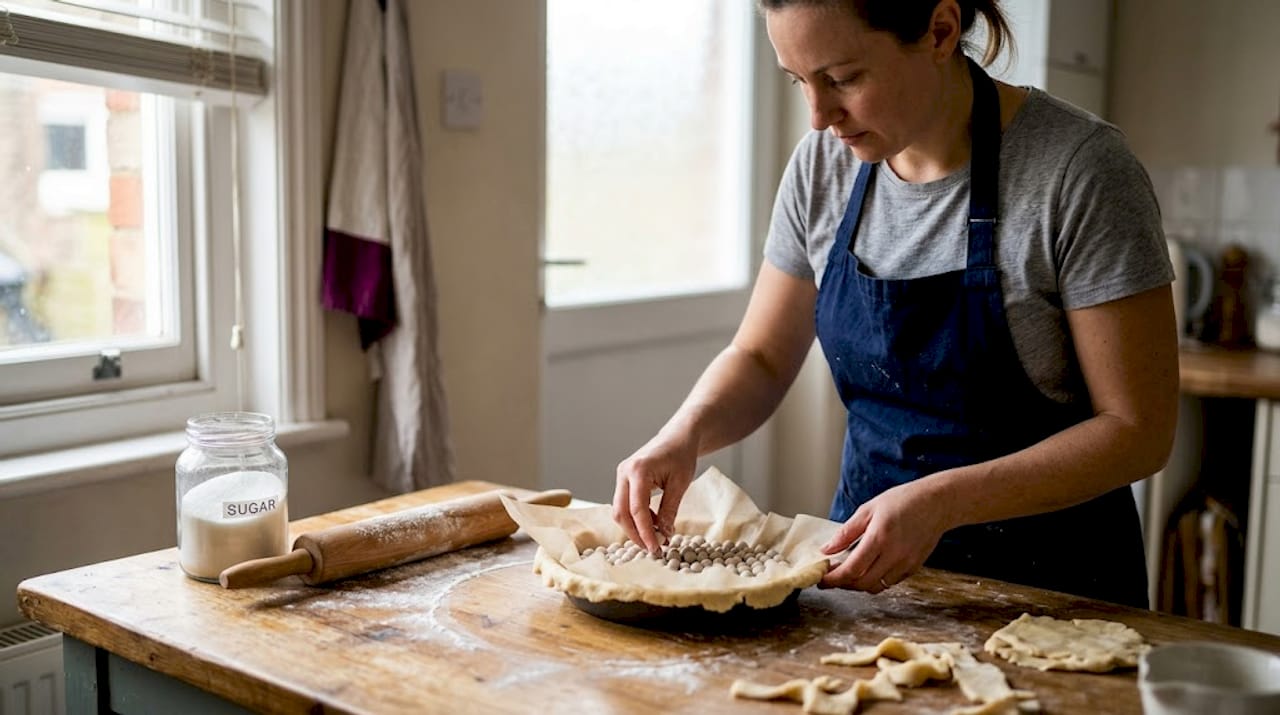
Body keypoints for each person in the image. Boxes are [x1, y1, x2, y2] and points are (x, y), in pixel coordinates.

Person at [612, 0, 1178, 609]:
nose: (819, 117)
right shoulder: (822, 166)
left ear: (939, 30)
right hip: (861, 578)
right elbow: (761, 356)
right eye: (799, 81)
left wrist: (944, 501)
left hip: (1055, 594)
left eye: (843, 78)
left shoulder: (1079, 171)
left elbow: (1137, 431)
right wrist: (684, 433)